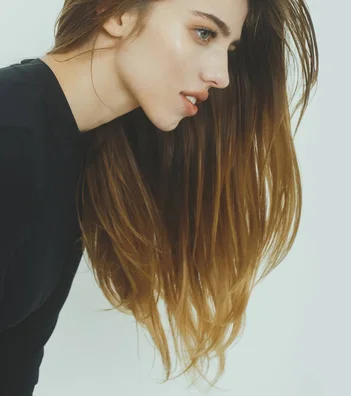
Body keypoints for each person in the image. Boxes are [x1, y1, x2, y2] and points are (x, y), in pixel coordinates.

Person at [0, 0, 318, 394]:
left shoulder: (77, 154)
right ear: (116, 13)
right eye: (204, 33)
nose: (221, 76)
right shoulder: (11, 132)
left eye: (229, 49)